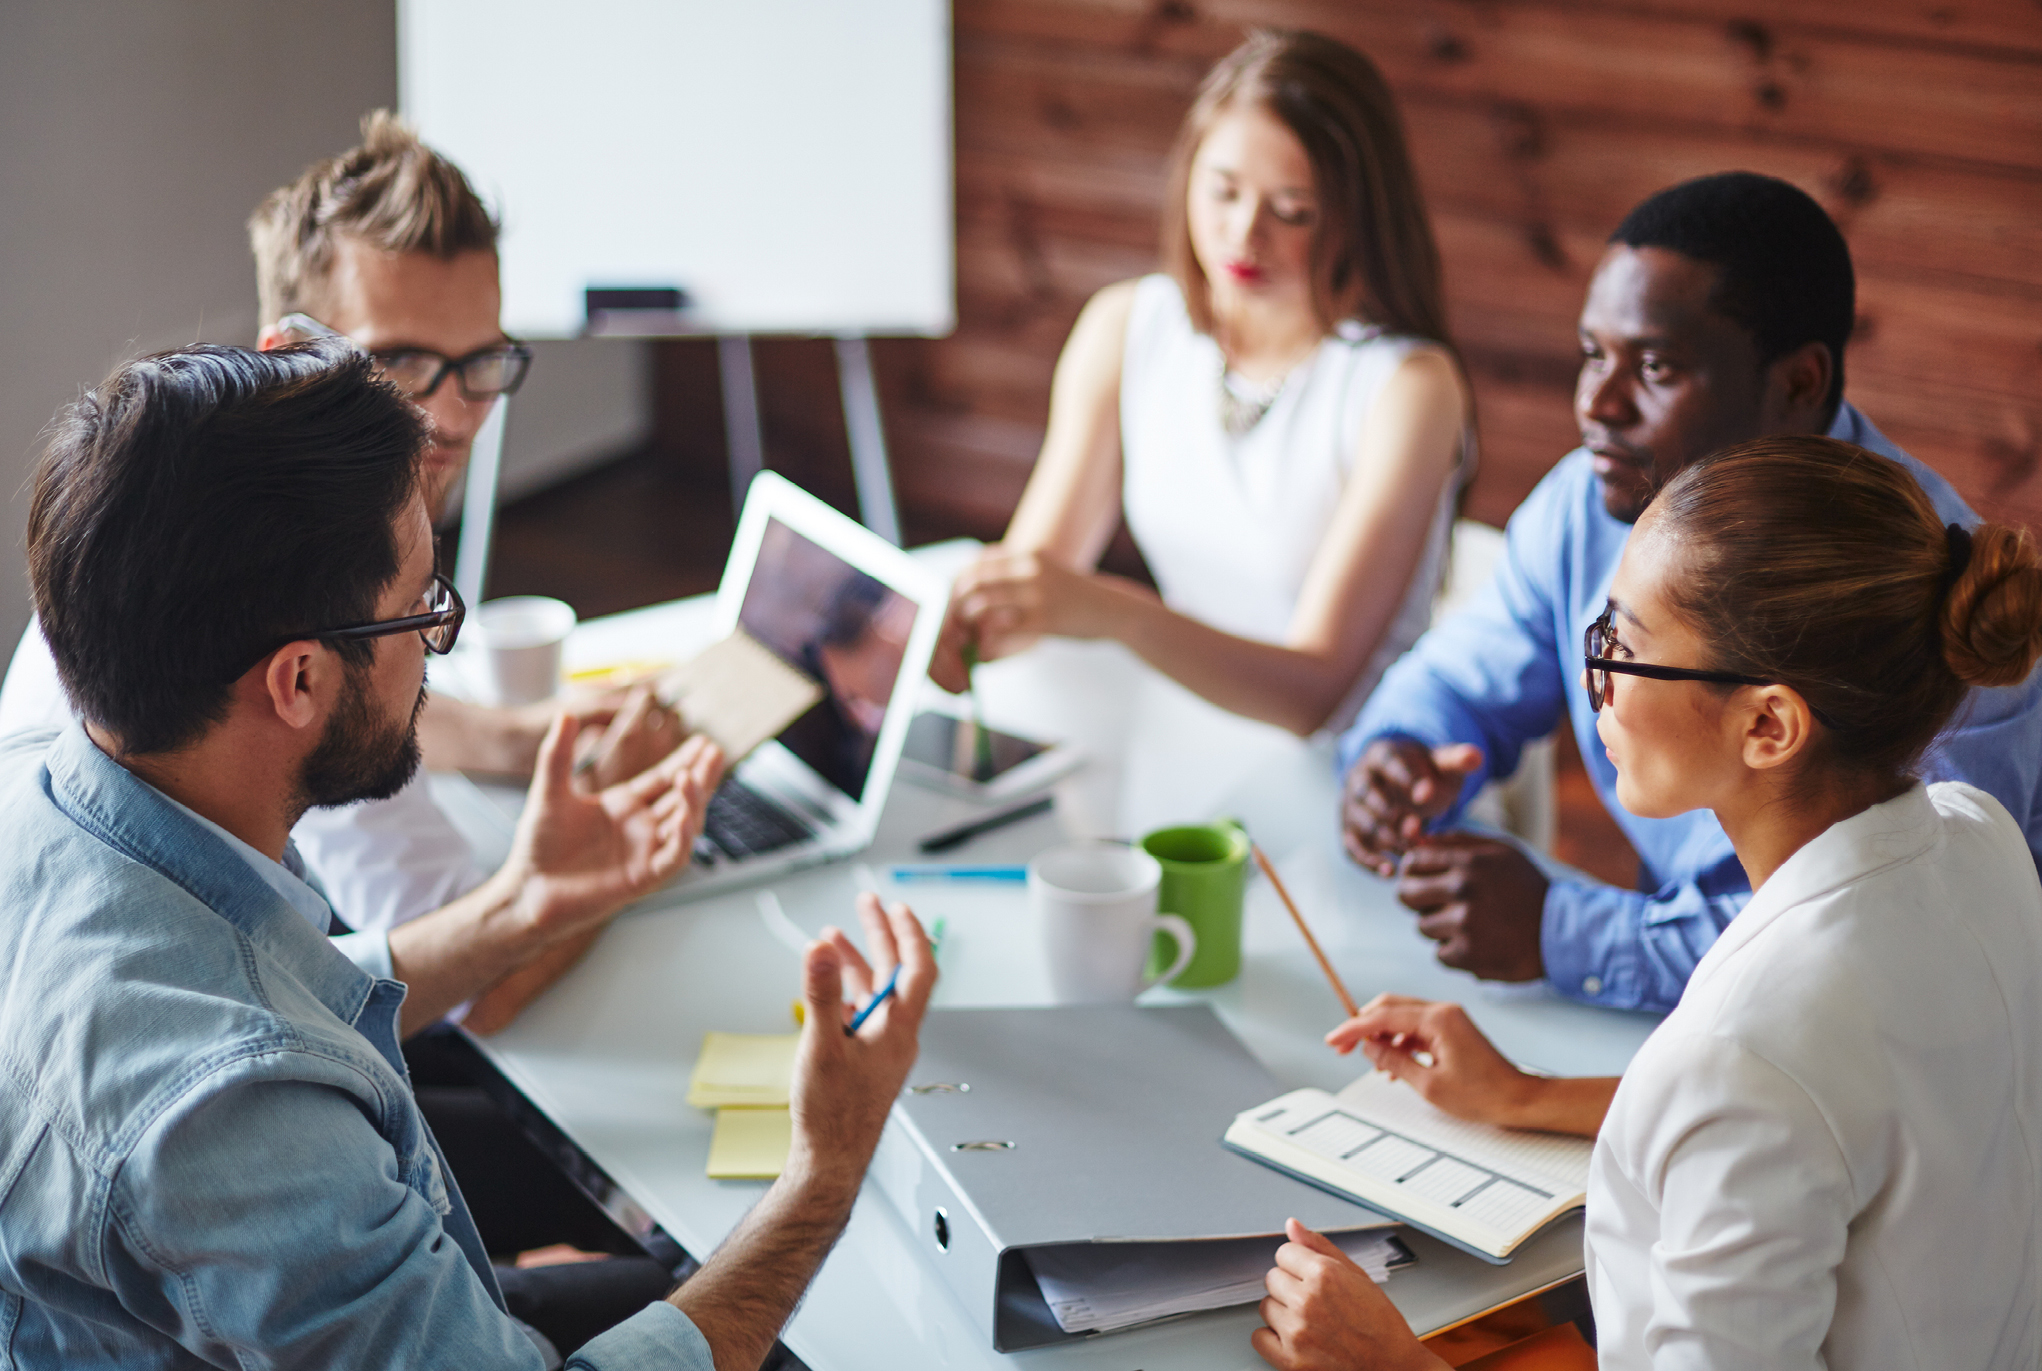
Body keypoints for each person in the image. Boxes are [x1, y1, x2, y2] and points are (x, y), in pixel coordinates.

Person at [0, 339, 937, 1369]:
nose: (434, 649)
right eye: (422, 608)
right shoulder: (233, 1120)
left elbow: (243, 998)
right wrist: (824, 1172)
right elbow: (235, 1067)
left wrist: (529, 903)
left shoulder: (44, 783)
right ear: (297, 682)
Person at [1257, 435, 2042, 1370]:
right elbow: (1828, 1120)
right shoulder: (1978, 835)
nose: (1596, 685)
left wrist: (1391, 1362)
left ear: (1767, 724)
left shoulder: (1749, 1048)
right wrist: (1522, 1094)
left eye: (1622, 648)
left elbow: (1768, 1092)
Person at [1337, 171, 2042, 1012]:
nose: (1597, 403)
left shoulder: (1915, 592)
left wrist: (1569, 932)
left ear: (1798, 383)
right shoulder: (1585, 500)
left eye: (1656, 365)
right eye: (1592, 353)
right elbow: (1461, 673)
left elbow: (1884, 939)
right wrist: (1399, 747)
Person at [0, 110, 678, 964]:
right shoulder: (309, 582)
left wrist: (519, 737)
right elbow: (478, 992)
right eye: (399, 361)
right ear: (289, 348)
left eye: (482, 362)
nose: (451, 415)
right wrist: (604, 833)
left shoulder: (181, 492)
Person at [932, 29, 1470, 736]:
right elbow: (1038, 580)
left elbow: (1313, 694)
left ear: (1355, 216)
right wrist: (952, 630)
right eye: (1223, 191)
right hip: (1191, 732)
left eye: (1292, 211)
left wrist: (1115, 612)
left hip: (1361, 771)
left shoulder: (1408, 388)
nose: (1244, 235)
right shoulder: (1128, 325)